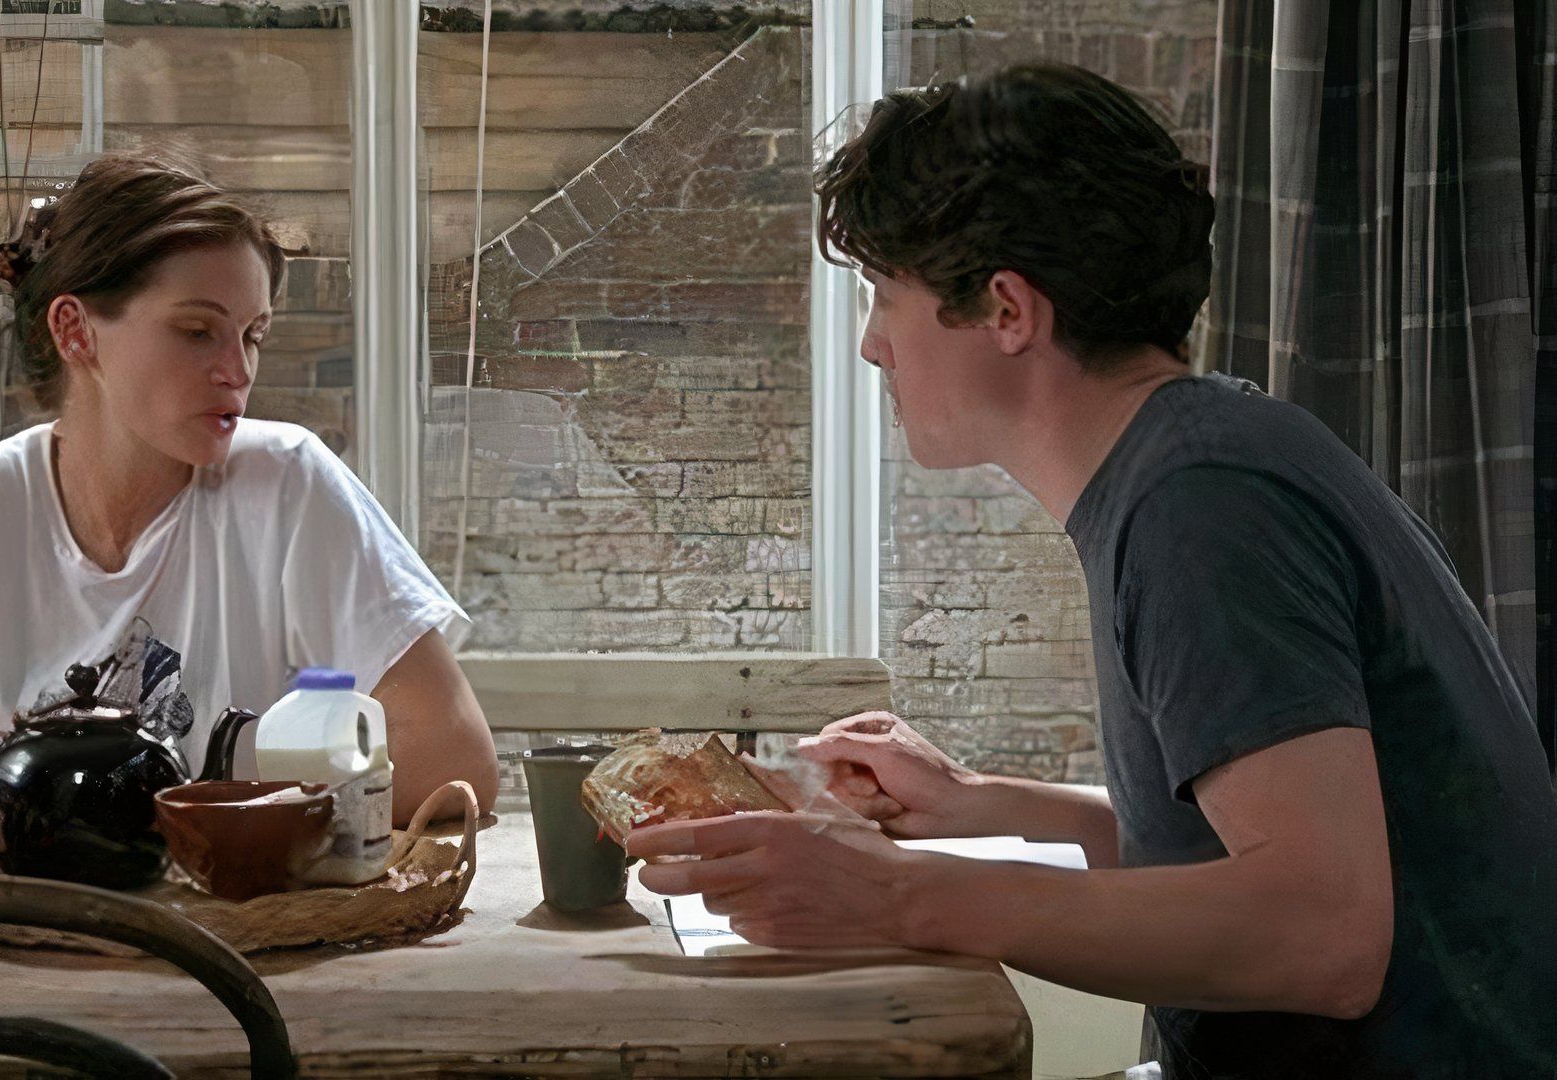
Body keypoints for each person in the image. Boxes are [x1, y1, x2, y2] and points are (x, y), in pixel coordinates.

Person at [629, 65, 1557, 1078]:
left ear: (1007, 310)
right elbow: (1240, 856)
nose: (870, 346)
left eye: (883, 296)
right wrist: (977, 804)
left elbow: (1323, 934)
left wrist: (896, 893)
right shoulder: (1206, 458)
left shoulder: (1202, 507)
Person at [0, 154, 500, 847]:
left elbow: (454, 761)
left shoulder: (286, 484)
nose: (238, 371)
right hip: (6, 961)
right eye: (197, 330)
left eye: (253, 334)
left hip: (250, 959)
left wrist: (159, 815)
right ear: (76, 332)